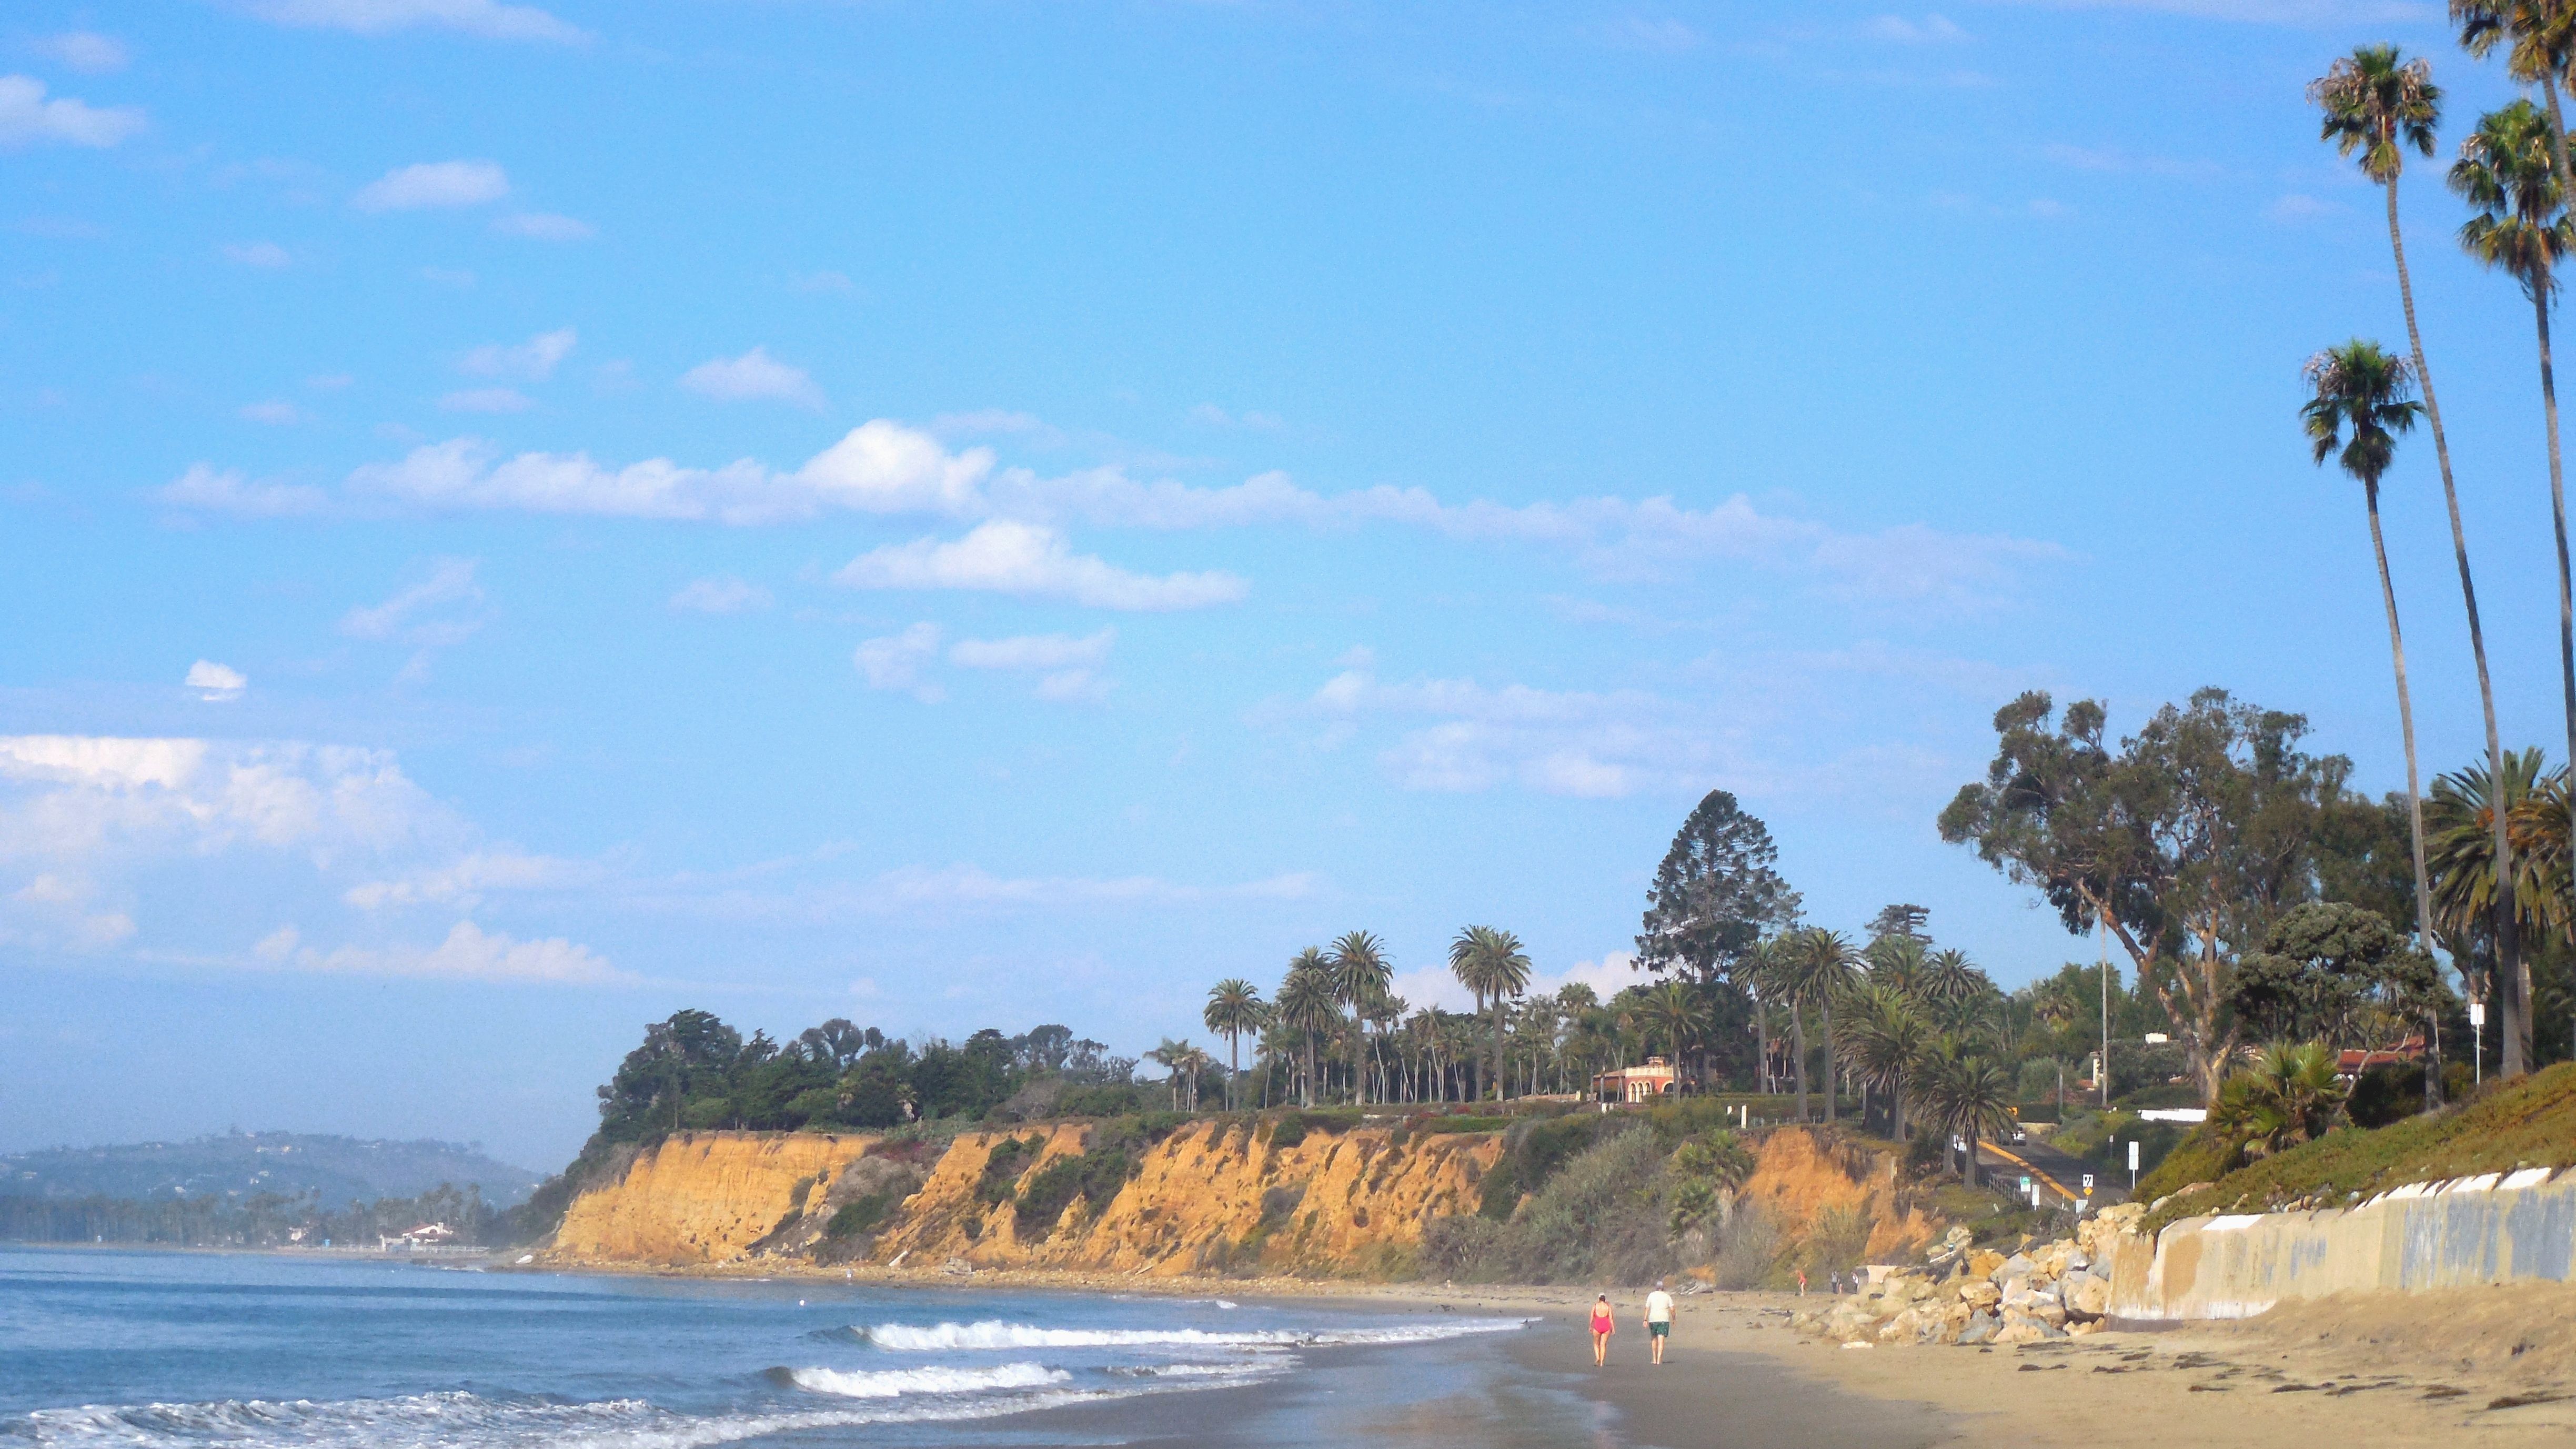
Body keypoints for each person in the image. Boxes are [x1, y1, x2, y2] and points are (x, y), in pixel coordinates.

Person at [1643, 1279, 1675, 1365]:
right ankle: (1659, 1359)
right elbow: (1672, 1309)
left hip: (1653, 1319)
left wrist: (1645, 1319)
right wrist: (1674, 1319)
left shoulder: (1651, 1295)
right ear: (1663, 1288)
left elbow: (1647, 1308)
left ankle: (1654, 1358)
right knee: (1661, 1340)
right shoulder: (1667, 1296)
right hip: (1664, 1319)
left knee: (1654, 1339)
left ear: (1656, 1288)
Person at [1588, 1294, 1615, 1366]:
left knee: (1596, 1343)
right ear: (1605, 1299)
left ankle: (1598, 1357)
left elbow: (1592, 1317)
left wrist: (1590, 1326)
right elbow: (1611, 1318)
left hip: (1597, 1325)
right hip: (1606, 1326)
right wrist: (1613, 1328)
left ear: (1599, 1299)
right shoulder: (1608, 1307)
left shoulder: (1595, 1306)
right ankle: (1602, 1362)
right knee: (1603, 1345)